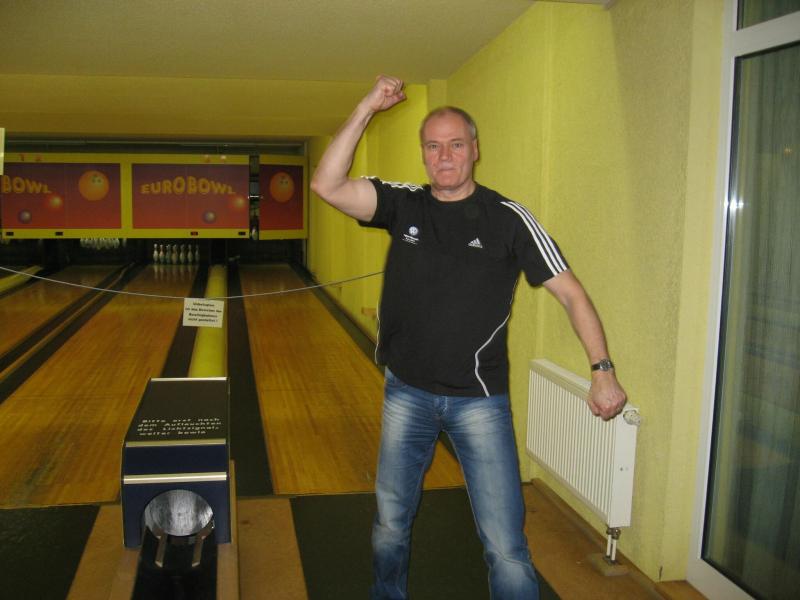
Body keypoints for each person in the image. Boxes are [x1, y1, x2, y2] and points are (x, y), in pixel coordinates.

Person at [311, 75, 627, 600]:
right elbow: (327, 184)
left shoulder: (509, 219)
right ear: (423, 154)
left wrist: (602, 371)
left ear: (475, 150)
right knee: (390, 523)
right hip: (406, 393)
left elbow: (572, 294)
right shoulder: (403, 205)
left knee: (505, 545)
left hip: (479, 402)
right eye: (433, 146)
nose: (444, 157)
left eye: (456, 145)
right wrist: (367, 106)